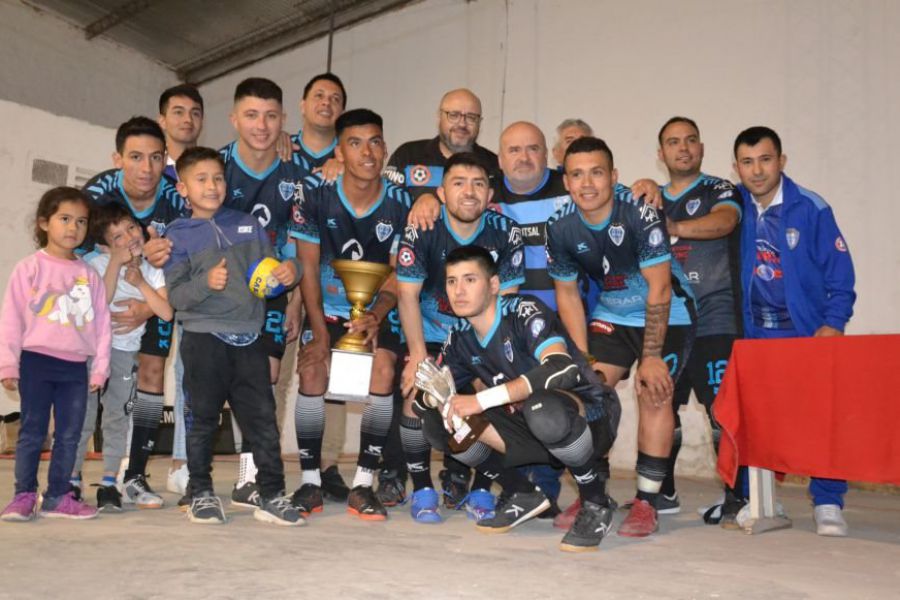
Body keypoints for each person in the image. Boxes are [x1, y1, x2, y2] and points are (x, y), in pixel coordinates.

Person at [414, 245, 619, 552]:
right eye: (451, 281)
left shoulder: (524, 310)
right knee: (440, 422)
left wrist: (482, 400)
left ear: (494, 285)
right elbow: (424, 397)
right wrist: (439, 400)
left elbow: (560, 367)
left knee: (542, 406)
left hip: (587, 417)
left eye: (470, 280)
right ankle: (522, 492)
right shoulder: (459, 335)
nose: (459, 290)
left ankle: (596, 503)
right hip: (527, 426)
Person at [546, 136, 695, 538]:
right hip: (612, 313)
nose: (587, 183)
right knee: (589, 391)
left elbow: (660, 289)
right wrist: (579, 358)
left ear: (613, 176)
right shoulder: (559, 227)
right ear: (566, 181)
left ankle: (647, 502)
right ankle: (593, 492)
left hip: (667, 313)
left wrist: (651, 356)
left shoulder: (639, 214)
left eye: (596, 172)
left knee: (654, 389)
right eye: (577, 174)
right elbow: (567, 295)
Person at [164, 146, 302, 526]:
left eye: (218, 178)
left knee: (262, 421)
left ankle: (273, 493)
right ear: (183, 188)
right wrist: (206, 283)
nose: (212, 186)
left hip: (249, 338)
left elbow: (268, 279)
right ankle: (202, 492)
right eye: (201, 179)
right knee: (203, 419)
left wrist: (289, 275)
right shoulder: (177, 235)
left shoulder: (248, 225)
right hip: (202, 338)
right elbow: (175, 297)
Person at [733, 126, 856, 537]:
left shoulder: (811, 208)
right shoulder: (734, 207)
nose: (757, 170)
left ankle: (827, 501)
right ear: (737, 167)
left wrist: (833, 324)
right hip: (756, 336)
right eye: (748, 162)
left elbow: (841, 275)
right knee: (760, 421)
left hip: (807, 334)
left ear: (782, 161)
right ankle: (762, 500)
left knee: (822, 419)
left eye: (765, 159)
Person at [290, 108, 411, 520]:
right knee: (311, 368)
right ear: (339, 151)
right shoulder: (314, 192)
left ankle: (363, 484)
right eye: (355, 143)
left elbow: (400, 271)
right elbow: (307, 265)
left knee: (382, 369)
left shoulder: (400, 202)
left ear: (385, 147)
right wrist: (319, 334)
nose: (367, 151)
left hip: (377, 310)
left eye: (375, 141)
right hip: (326, 307)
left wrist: (376, 314)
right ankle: (310, 482)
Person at [382, 87, 500, 504]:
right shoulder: (407, 155)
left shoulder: (495, 179)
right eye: (454, 114)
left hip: (477, 332)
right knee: (413, 388)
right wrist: (418, 356)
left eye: (471, 116)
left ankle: (468, 477)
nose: (462, 122)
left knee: (489, 390)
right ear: (439, 116)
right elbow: (407, 293)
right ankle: (412, 482)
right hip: (419, 312)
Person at [396, 152, 525, 522]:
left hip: (483, 337)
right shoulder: (422, 227)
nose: (469, 192)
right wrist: (419, 356)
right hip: (433, 334)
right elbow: (407, 294)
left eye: (478, 184)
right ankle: (421, 489)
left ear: (489, 194)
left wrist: (494, 360)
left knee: (490, 398)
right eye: (459, 183)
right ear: (441, 192)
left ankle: (482, 491)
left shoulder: (506, 231)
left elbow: (507, 302)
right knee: (417, 397)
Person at [82, 116, 187, 509]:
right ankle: (73, 475)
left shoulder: (178, 198)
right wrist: (96, 308)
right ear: (118, 159)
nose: (147, 168)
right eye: (136, 157)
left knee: (152, 372)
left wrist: (146, 306)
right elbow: (77, 255)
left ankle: (135, 475)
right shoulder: (96, 194)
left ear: (165, 159)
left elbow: (186, 265)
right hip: (101, 311)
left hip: (155, 299)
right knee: (90, 395)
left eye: (156, 158)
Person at [218, 77, 311, 509]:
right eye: (252, 115)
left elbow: (300, 238)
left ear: (284, 120)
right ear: (235, 118)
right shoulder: (215, 167)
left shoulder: (298, 174)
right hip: (220, 295)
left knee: (267, 379)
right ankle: (193, 474)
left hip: (274, 295)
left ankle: (250, 477)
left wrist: (294, 299)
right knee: (213, 385)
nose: (262, 125)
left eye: (271, 115)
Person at [0, 187, 110, 522]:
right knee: (33, 430)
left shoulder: (89, 275)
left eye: (80, 221)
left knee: (70, 434)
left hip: (75, 367)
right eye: (64, 219)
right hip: (35, 362)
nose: (73, 227)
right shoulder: (29, 268)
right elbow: (12, 317)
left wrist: (100, 369)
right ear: (44, 222)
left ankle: (58, 495)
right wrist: (7, 362)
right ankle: (23, 495)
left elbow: (102, 325)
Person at [656, 116, 743, 523]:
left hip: (714, 317)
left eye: (690, 140)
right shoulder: (649, 196)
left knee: (721, 411)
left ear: (702, 148)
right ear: (662, 154)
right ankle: (661, 492)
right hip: (666, 322)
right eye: (674, 142)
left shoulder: (718, 189)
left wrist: (674, 226)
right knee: (660, 406)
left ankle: (737, 496)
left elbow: (726, 221)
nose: (683, 148)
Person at [70, 204, 173, 512]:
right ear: (104, 245)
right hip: (90, 352)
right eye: (117, 236)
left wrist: (141, 282)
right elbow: (99, 302)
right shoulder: (98, 264)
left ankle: (109, 481)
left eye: (131, 228)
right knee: (83, 416)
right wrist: (115, 262)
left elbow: (166, 312)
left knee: (117, 416)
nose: (128, 238)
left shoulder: (153, 269)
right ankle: (72, 479)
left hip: (124, 353)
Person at [289, 72, 351, 502]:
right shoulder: (279, 147)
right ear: (302, 103)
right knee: (269, 379)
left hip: (323, 283)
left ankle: (326, 466)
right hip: (275, 278)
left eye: (335, 98)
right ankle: (258, 464)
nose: (326, 103)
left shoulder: (349, 156)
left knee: (328, 376)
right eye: (318, 96)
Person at [156, 83, 204, 495]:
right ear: (162, 119)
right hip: (146, 288)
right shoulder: (148, 167)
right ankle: (127, 462)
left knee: (187, 371)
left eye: (194, 112)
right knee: (139, 373)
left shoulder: (209, 168)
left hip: (193, 289)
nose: (186, 120)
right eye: (177, 111)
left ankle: (183, 459)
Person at [158, 84, 204, 180]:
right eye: (179, 112)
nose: (188, 119)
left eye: (195, 113)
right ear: (162, 121)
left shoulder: (218, 169)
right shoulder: (152, 172)